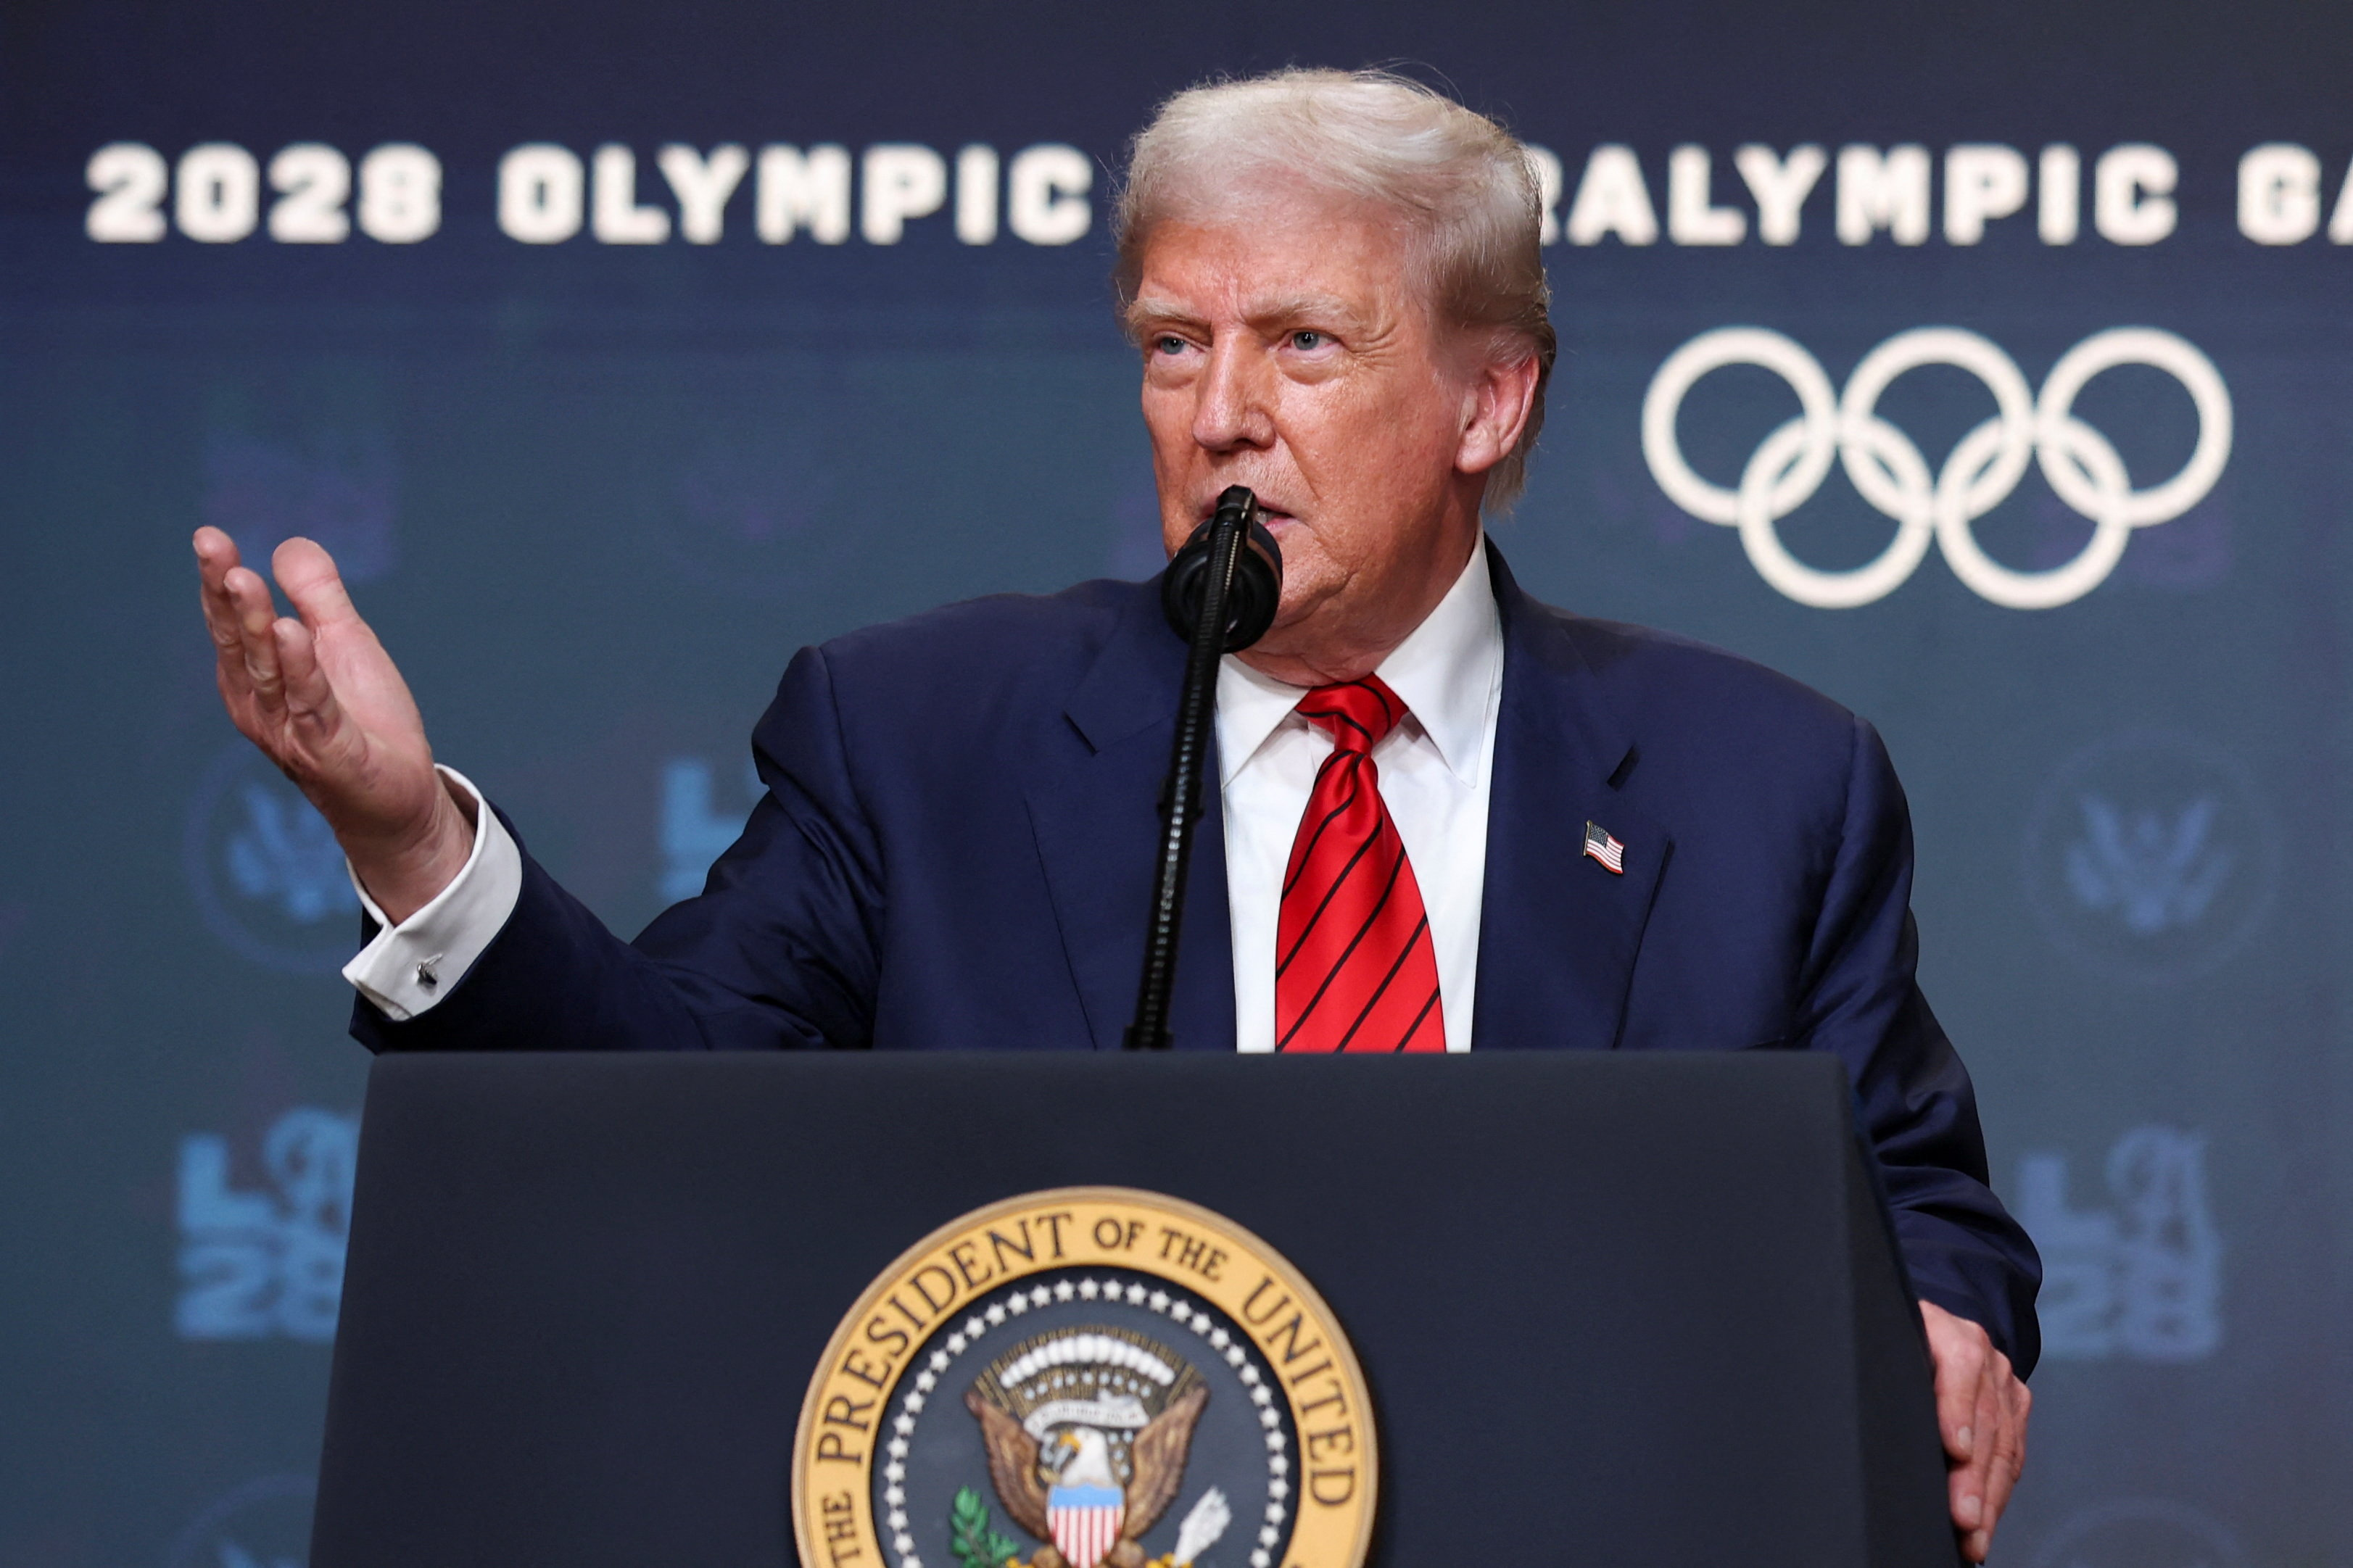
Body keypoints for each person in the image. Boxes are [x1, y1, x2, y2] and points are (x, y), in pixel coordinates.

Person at [192, 68, 2035, 1558]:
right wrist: (413, 843)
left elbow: (1915, 1198)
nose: (1220, 414)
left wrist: (1942, 1317)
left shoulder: (1756, 780)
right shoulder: (920, 736)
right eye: (1172, 345)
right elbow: (645, 1112)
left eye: (1303, 345)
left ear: (1490, 399)